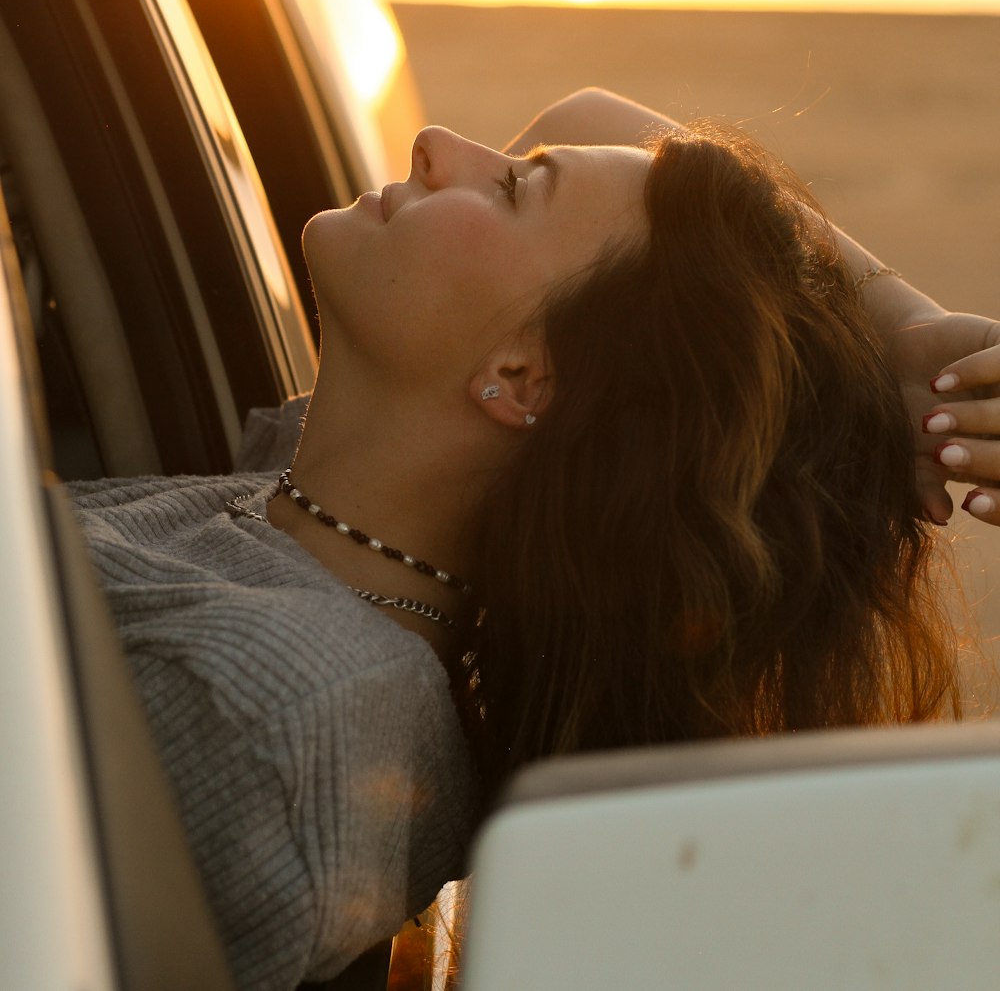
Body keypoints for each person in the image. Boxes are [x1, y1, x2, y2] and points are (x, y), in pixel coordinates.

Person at [69, 87, 999, 991]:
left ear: (518, 380)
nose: (434, 144)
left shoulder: (278, 706)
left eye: (511, 185)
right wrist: (905, 325)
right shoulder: (322, 513)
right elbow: (588, 118)